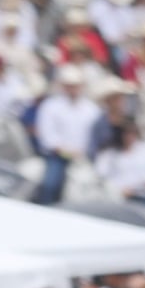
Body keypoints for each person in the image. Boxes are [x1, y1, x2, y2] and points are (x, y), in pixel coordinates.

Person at [31, 64, 102, 205]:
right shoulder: (51, 106)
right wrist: (62, 149)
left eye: (75, 85)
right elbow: (47, 134)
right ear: (63, 86)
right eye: (69, 85)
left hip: (84, 157)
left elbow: (95, 135)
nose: (72, 89)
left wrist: (85, 152)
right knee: (50, 185)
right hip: (57, 156)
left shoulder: (91, 109)